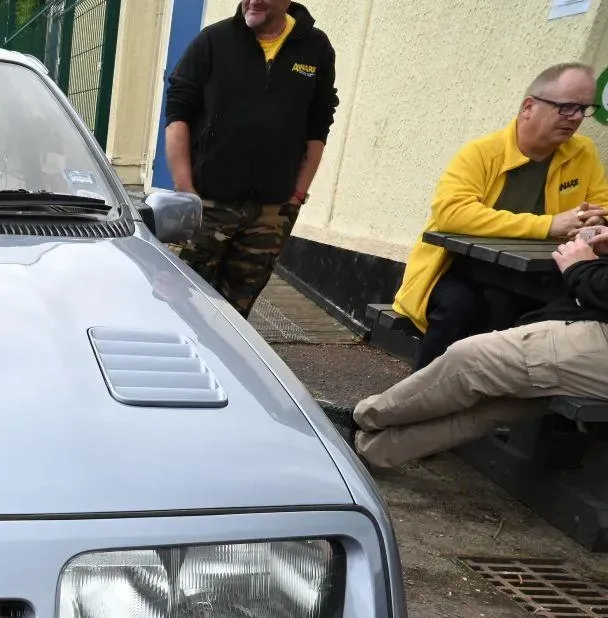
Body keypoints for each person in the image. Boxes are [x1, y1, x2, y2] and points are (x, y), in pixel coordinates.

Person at [321, 227, 608, 469]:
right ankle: (365, 447)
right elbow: (452, 212)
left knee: (471, 360)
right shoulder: (484, 158)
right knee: (489, 407)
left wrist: (582, 268)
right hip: (590, 324)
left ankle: (361, 417)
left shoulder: (577, 159)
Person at [393, 63, 608, 373]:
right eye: (566, 107)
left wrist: (594, 226)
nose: (576, 117)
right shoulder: (482, 153)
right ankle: (413, 401)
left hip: (541, 275)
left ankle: (499, 407)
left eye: (583, 109)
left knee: (553, 320)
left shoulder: (582, 153)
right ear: (529, 107)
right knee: (461, 308)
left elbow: (600, 207)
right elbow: (452, 213)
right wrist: (548, 225)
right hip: (455, 269)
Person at [162, 1, 338, 317]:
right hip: (207, 204)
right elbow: (177, 112)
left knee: (234, 316)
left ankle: (222, 364)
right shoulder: (213, 41)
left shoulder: (316, 49)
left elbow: (319, 124)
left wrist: (296, 196)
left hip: (271, 213)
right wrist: (186, 191)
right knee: (179, 305)